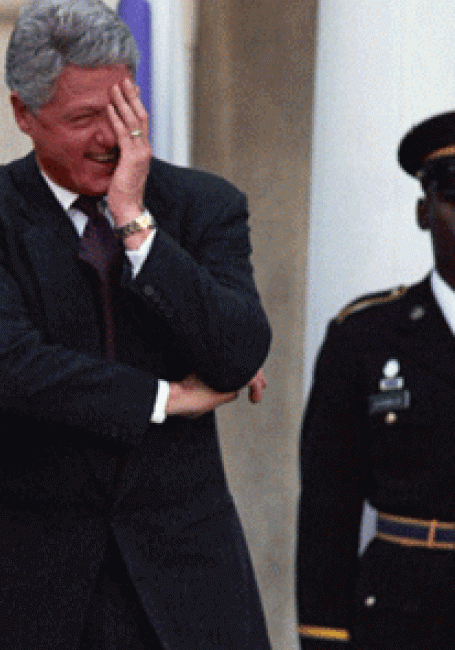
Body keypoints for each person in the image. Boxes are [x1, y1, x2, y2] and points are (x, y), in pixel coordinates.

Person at [0, 1, 272, 649]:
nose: (109, 137)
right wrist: (165, 398)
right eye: (83, 118)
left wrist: (137, 223)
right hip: (24, 590)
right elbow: (5, 368)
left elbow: (239, 350)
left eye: (119, 110)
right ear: (23, 114)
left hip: (183, 590)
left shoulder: (204, 206)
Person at [296, 110, 455, 649]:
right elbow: (327, 509)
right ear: (423, 211)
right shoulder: (365, 336)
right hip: (402, 617)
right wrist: (322, 635)